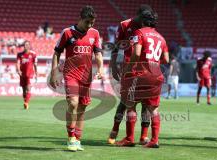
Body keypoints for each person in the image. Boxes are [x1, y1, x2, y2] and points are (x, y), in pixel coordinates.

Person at [49, 6, 103, 151]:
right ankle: (71, 137)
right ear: (80, 19)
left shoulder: (95, 33)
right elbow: (56, 53)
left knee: (82, 107)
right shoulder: (67, 32)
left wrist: (101, 69)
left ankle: (78, 139)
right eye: (87, 22)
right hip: (71, 74)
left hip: (87, 76)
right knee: (73, 103)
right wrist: (54, 73)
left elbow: (98, 54)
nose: (90, 25)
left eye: (92, 22)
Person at [115, 8, 169, 148]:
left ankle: (129, 139)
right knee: (153, 108)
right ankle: (154, 140)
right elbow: (166, 59)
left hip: (140, 74)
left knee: (131, 105)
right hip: (156, 74)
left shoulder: (139, 33)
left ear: (143, 21)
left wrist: (129, 68)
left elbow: (136, 53)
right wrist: (155, 64)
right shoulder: (161, 38)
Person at [108, 5, 156, 145]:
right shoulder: (124, 25)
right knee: (125, 102)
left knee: (146, 104)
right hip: (129, 69)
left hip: (146, 70)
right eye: (142, 19)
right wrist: (113, 66)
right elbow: (116, 46)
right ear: (138, 15)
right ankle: (115, 130)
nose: (144, 22)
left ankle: (144, 136)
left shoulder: (149, 26)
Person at [16, 41, 37, 109]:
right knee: (24, 91)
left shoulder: (33, 54)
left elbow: (35, 64)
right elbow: (18, 63)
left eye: (27, 45)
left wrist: (36, 73)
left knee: (28, 89)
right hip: (22, 74)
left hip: (30, 74)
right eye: (24, 45)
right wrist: (18, 70)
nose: (25, 46)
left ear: (29, 46)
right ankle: (25, 102)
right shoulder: (19, 54)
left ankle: (26, 103)